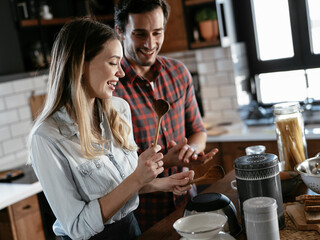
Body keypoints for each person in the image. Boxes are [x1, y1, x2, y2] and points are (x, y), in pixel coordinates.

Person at [28, 18, 194, 240]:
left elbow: (119, 184)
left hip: (131, 229)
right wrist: (137, 178)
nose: (121, 73)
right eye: (113, 63)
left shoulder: (118, 109)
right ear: (81, 64)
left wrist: (160, 182)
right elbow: (78, 227)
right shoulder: (47, 137)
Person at [114, 0, 219, 231]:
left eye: (157, 32)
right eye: (140, 34)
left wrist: (189, 151)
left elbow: (197, 131)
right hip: (141, 216)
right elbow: (115, 170)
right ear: (120, 31)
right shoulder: (111, 89)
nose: (150, 43)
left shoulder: (179, 73)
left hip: (186, 203)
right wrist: (168, 160)